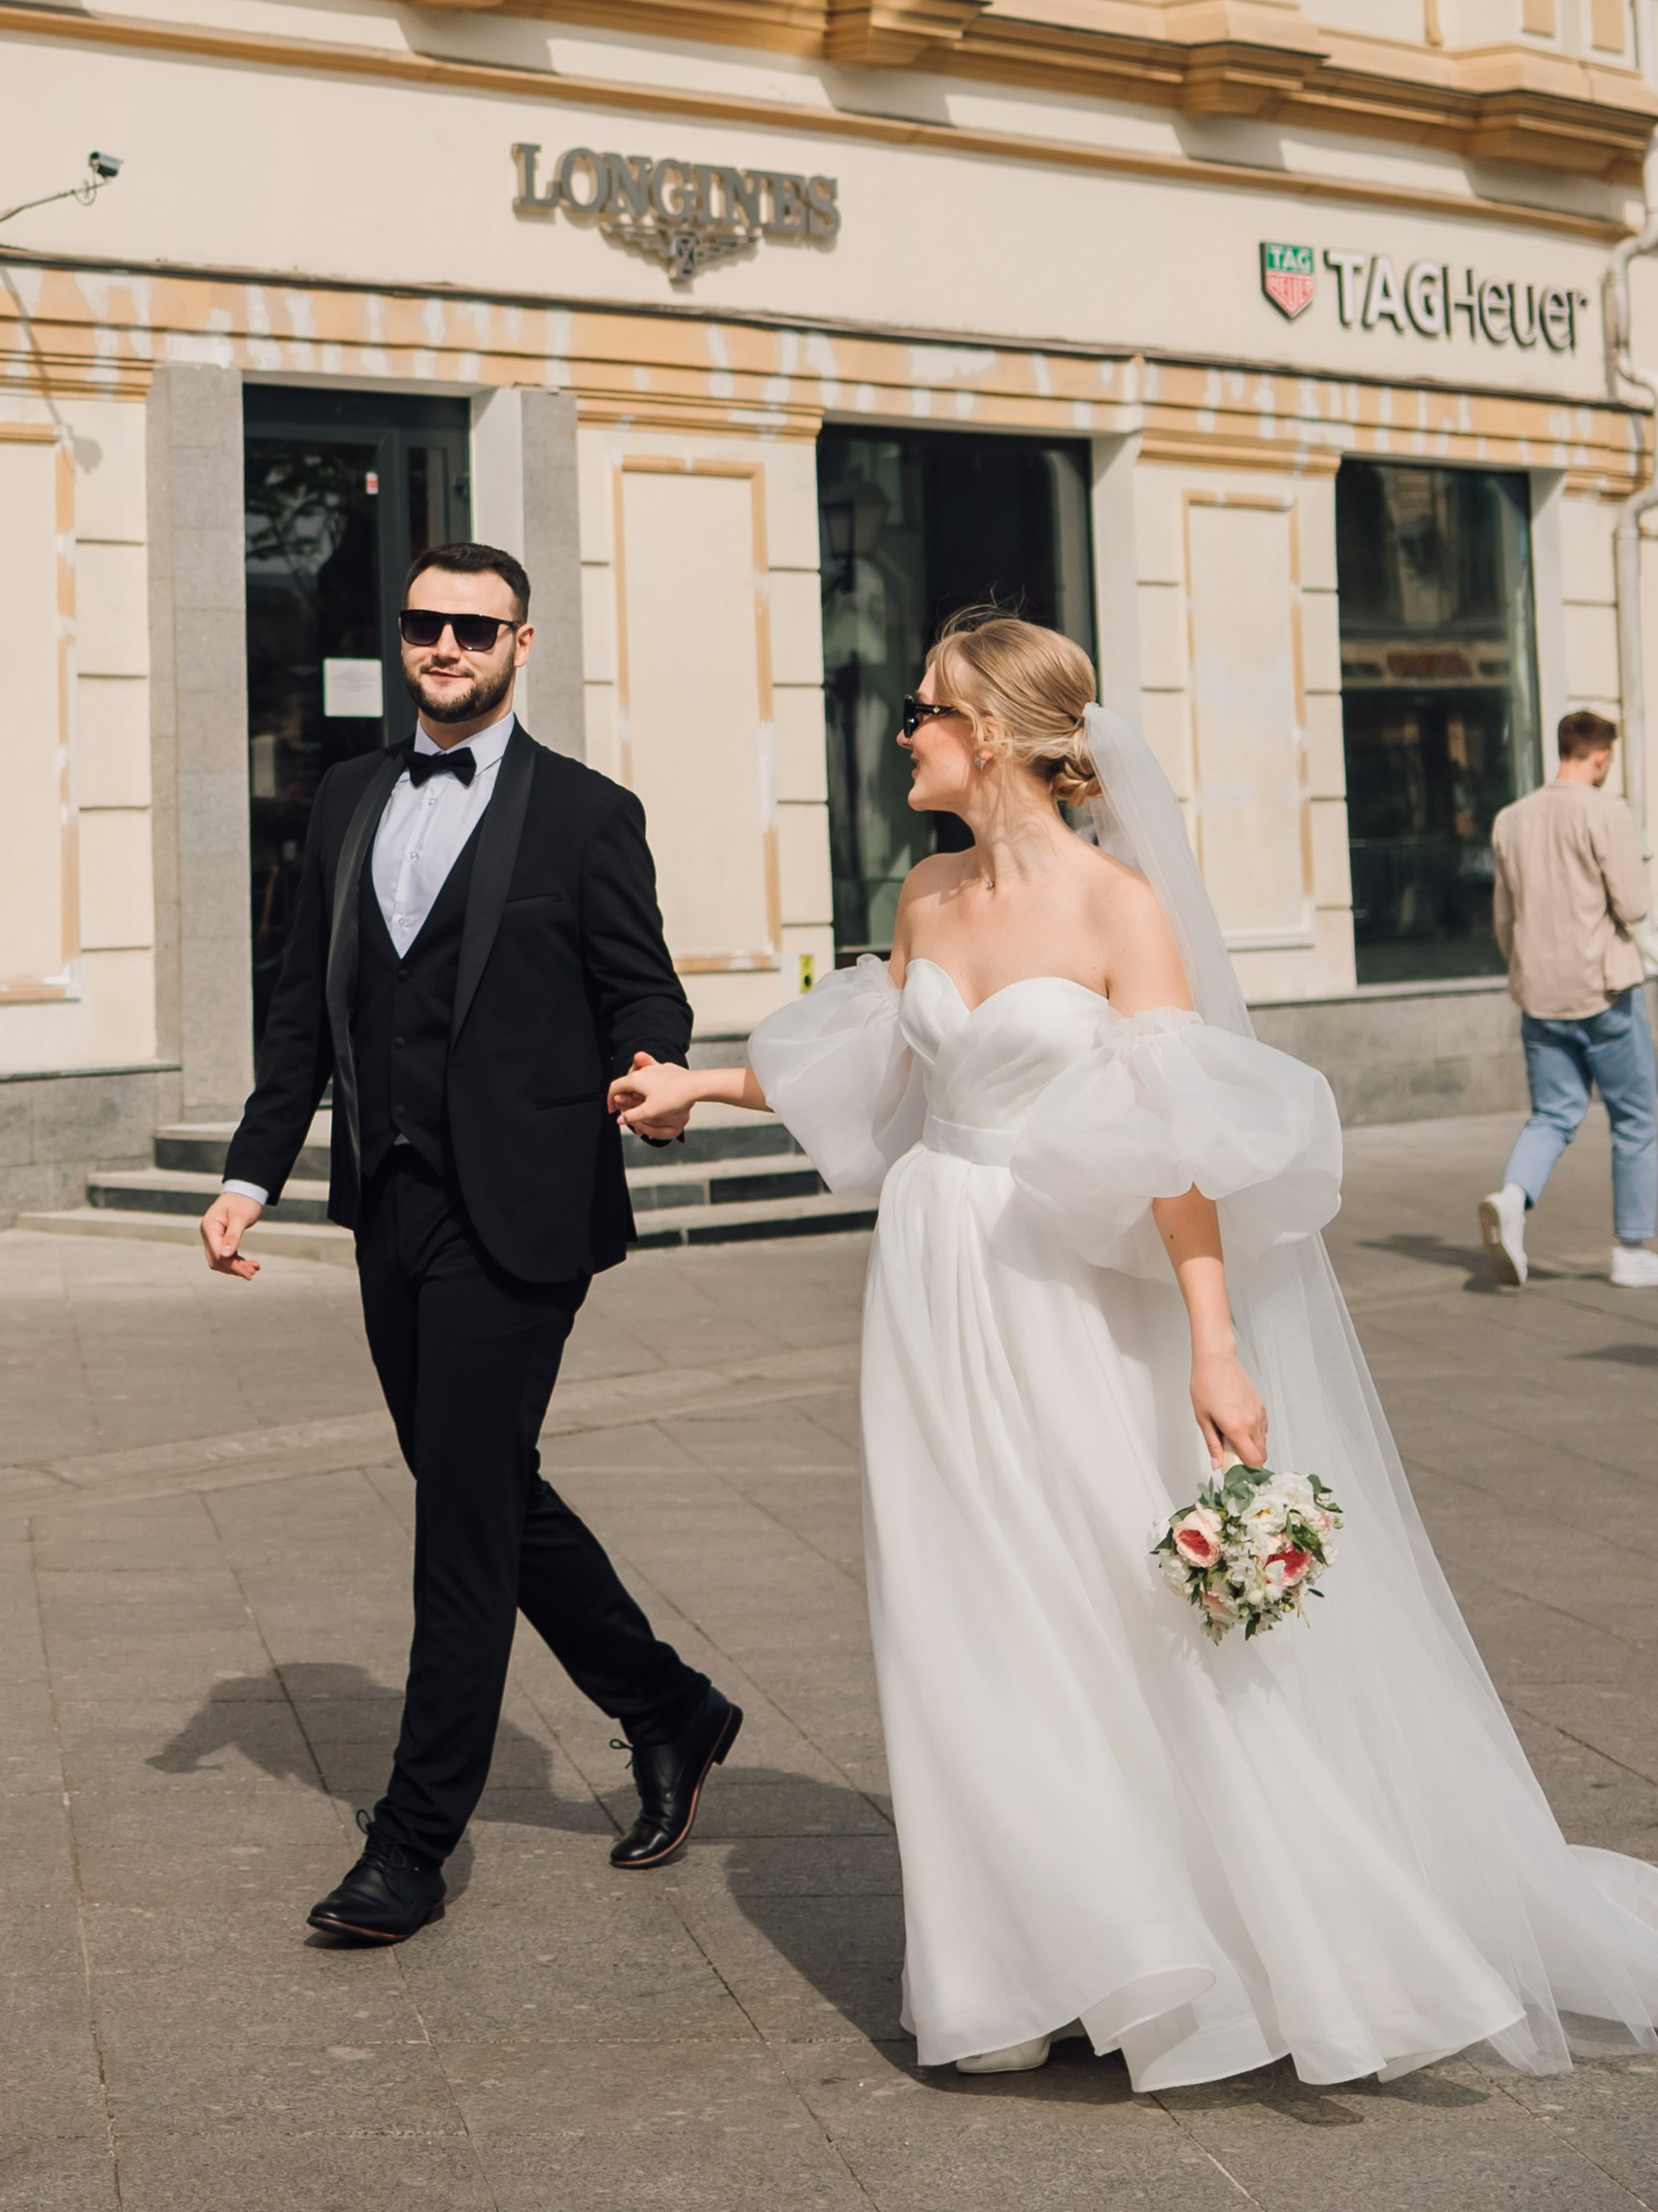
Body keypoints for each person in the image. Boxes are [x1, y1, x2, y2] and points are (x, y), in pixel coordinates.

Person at [612, 614, 1658, 2089]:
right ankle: (1018, 1967)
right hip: (932, 1282)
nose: (901, 731)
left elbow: (1180, 1146)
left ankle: (1191, 1938)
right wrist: (698, 1086)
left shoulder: (1120, 911)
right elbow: (881, 1069)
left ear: (994, 733)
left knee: (1099, 1600)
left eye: (924, 708)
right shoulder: (925, 893)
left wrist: (1215, 1348)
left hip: (1068, 1295)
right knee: (958, 1617)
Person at [196, 543, 738, 1947]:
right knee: (476, 1481)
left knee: (458, 1524)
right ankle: (669, 1706)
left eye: (475, 628)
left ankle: (413, 1841)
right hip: (391, 1198)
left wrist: (655, 1075)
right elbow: (302, 1009)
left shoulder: (588, 813)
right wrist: (254, 1170)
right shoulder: (346, 797)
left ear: (521, 645)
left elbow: (642, 987)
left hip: (525, 1204)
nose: (446, 645)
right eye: (425, 622)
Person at [1479, 710, 1657, 1290]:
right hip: (1604, 992)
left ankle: (1511, 1198)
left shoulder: (1510, 820)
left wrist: (1525, 969)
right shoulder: (1606, 813)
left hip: (1540, 996)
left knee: (1553, 1115)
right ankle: (1631, 1251)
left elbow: (1504, 918)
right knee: (1636, 1119)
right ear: (1600, 756)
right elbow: (1633, 905)